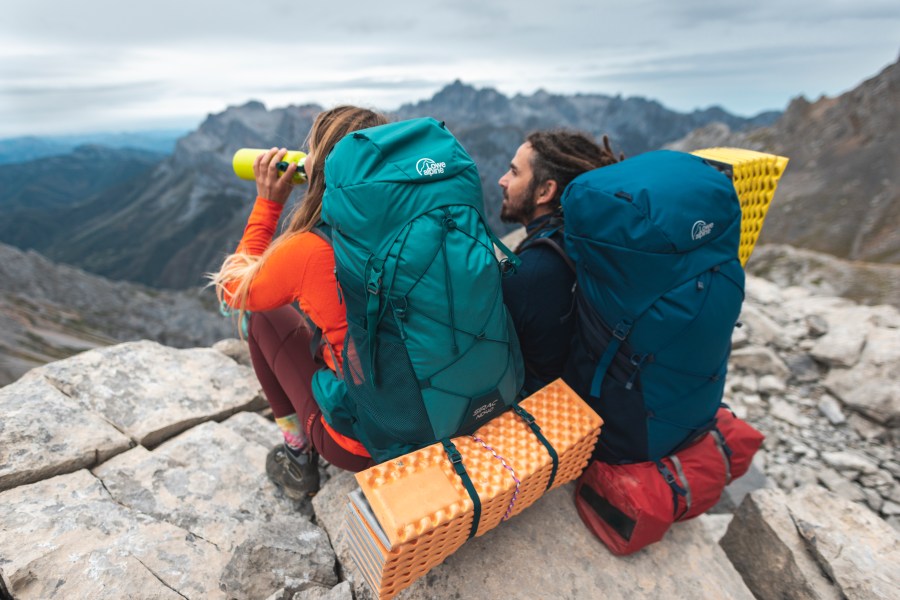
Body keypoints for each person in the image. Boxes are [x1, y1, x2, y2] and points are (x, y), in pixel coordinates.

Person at [210, 106, 389, 499]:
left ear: (320, 168)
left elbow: (233, 291)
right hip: (438, 410)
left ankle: (297, 457)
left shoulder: (311, 249)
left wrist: (268, 202)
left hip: (363, 444)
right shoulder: (425, 222)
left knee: (261, 315)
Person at [498, 130, 623, 396]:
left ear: (545, 191)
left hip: (548, 414)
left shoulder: (532, 270)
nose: (502, 181)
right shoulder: (585, 241)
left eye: (514, 172)